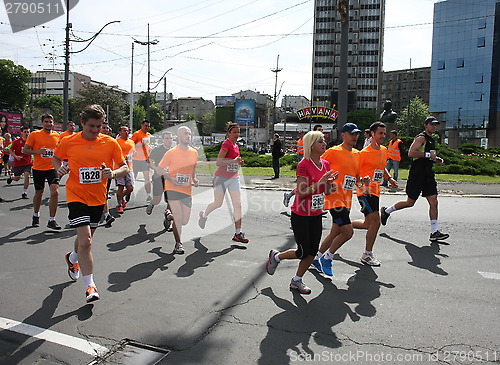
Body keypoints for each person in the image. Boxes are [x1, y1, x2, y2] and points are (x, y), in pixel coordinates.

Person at [53, 104, 128, 303]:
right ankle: (90, 286)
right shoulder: (69, 141)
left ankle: (72, 258)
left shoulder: (110, 143)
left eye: (98, 126)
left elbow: (124, 167)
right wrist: (60, 169)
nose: (95, 131)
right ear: (82, 124)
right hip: (76, 195)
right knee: (86, 241)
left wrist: (112, 173)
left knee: (85, 240)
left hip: (98, 198)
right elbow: (55, 158)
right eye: (91, 127)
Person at [266, 131, 336, 294]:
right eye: (320, 142)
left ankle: (296, 280)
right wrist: (321, 182)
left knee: (312, 252)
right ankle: (277, 257)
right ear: (311, 146)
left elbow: (327, 193)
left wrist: (330, 185)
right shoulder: (303, 164)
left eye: (324, 141)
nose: (324, 144)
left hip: (316, 214)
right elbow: (302, 192)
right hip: (301, 214)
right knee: (302, 252)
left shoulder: (325, 164)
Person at [380, 117, 449, 242]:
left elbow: (428, 155)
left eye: (435, 125)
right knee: (410, 202)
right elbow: (411, 153)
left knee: (434, 201)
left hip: (428, 174)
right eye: (432, 124)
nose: (434, 127)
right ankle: (387, 211)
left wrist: (436, 158)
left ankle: (434, 232)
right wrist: (428, 155)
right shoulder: (421, 138)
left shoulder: (431, 140)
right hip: (417, 174)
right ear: (425, 125)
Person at [311, 123, 364, 276]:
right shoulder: (333, 152)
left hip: (346, 199)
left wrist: (363, 182)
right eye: (351, 133)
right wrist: (325, 182)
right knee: (348, 232)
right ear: (343, 135)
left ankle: (316, 257)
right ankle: (328, 257)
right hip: (334, 199)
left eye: (357, 134)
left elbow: (357, 177)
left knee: (335, 232)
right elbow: (317, 165)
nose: (355, 136)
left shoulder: (357, 154)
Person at [352, 122, 398, 266]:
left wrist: (389, 178)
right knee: (376, 223)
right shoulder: (363, 153)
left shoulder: (384, 150)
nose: (383, 136)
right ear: (372, 134)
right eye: (380, 133)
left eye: (384, 133)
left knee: (367, 224)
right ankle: (367, 254)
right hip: (365, 192)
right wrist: (361, 187)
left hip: (376, 192)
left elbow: (382, 167)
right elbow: (355, 173)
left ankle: (343, 226)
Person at [198, 122, 249, 244]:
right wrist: (233, 160)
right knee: (218, 203)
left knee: (238, 204)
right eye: (234, 132)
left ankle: (238, 233)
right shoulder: (226, 144)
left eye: (238, 132)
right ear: (229, 133)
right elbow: (219, 162)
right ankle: (204, 215)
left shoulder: (236, 145)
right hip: (221, 178)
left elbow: (234, 161)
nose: (237, 134)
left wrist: (239, 162)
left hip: (233, 178)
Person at [159, 126, 199, 254]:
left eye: (189, 134)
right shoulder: (171, 152)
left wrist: (194, 178)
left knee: (184, 220)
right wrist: (170, 178)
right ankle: (178, 244)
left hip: (186, 189)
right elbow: (160, 170)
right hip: (172, 188)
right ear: (179, 136)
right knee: (178, 217)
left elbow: (193, 167)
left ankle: (168, 216)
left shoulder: (194, 152)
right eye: (185, 134)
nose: (188, 136)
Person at [23, 114, 61, 229]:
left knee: (55, 192)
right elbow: (25, 150)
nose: (49, 124)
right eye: (46, 122)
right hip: (38, 168)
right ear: (42, 123)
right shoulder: (35, 134)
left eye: (50, 122)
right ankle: (36, 215)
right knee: (39, 193)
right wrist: (38, 152)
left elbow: (60, 152)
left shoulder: (57, 136)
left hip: (52, 169)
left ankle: (52, 220)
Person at [283, 125, 324, 207]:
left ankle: (289, 195)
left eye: (322, 130)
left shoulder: (324, 160)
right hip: (304, 156)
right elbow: (303, 192)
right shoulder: (306, 140)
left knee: (313, 185)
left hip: (315, 211)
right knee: (307, 185)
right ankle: (289, 195)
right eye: (319, 130)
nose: (321, 131)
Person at [146, 131, 173, 216]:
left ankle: (168, 216)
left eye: (171, 138)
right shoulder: (157, 150)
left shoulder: (174, 151)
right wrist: (156, 169)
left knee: (171, 199)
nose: (169, 140)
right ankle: (152, 204)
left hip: (170, 178)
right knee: (157, 200)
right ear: (163, 140)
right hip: (158, 177)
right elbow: (149, 162)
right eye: (167, 138)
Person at [7, 126, 32, 199]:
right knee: (17, 178)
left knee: (27, 176)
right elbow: (11, 150)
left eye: (28, 132)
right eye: (25, 132)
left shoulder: (31, 142)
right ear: (21, 133)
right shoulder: (17, 142)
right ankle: (12, 177)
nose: (27, 133)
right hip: (18, 163)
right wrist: (16, 157)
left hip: (27, 163)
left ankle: (24, 192)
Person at [115, 126, 135, 214]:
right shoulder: (116, 142)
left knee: (130, 188)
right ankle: (119, 205)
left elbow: (133, 153)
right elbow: (114, 154)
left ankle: (120, 196)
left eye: (127, 131)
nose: (126, 132)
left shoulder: (131, 142)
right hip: (119, 167)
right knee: (121, 186)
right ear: (119, 132)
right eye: (124, 130)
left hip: (129, 168)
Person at [131, 120, 153, 202]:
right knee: (133, 178)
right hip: (136, 159)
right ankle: (129, 192)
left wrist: (150, 150)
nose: (147, 127)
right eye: (145, 126)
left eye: (148, 126)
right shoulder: (137, 134)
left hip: (145, 160)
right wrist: (140, 144)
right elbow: (131, 144)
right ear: (142, 125)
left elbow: (148, 146)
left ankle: (149, 195)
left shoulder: (148, 135)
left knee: (147, 178)